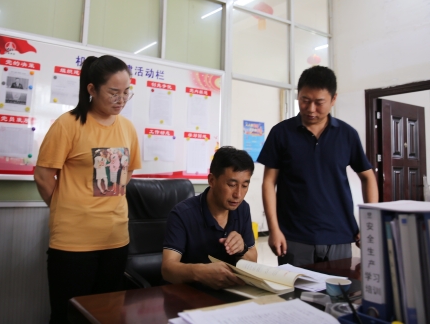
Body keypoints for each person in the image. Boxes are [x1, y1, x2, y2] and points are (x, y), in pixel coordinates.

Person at [34, 55, 140, 324]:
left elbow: (128, 171)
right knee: (69, 316)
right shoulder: (68, 124)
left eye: (126, 92)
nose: (121, 99)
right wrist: (66, 208)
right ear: (92, 89)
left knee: (107, 315)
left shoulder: (127, 128)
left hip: (116, 237)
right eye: (113, 92)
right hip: (73, 242)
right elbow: (43, 177)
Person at [257, 65, 378, 267]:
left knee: (340, 287)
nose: (311, 109)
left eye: (319, 102)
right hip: (294, 237)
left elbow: (368, 177)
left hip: (339, 235)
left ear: (333, 99)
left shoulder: (347, 135)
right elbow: (268, 183)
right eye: (305, 100)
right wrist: (274, 229)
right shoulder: (281, 133)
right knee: (296, 287)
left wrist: (370, 223)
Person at [162, 146, 257, 290]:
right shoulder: (182, 214)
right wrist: (199, 272)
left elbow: (253, 259)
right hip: (188, 293)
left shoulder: (242, 208)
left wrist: (242, 250)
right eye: (231, 185)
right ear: (212, 180)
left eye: (244, 186)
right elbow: (167, 269)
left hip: (230, 291)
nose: (238, 194)